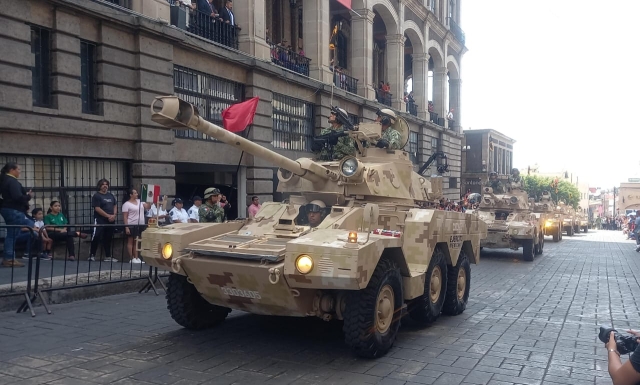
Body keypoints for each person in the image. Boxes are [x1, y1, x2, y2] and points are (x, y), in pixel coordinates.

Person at [0, 162, 32, 267]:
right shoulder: (12, 181)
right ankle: (9, 259)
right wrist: (28, 196)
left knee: (12, 234)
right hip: (13, 210)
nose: (20, 172)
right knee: (12, 234)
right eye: (18, 170)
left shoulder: (3, 180)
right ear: (12, 170)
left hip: (7, 209)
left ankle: (8, 257)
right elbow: (17, 197)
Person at [89, 178, 118, 262]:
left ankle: (108, 256)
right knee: (96, 236)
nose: (105, 186)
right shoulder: (97, 196)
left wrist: (114, 215)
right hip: (100, 219)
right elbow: (97, 208)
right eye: (103, 184)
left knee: (108, 237)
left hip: (111, 220)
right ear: (100, 186)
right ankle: (92, 255)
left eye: (106, 184)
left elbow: (115, 205)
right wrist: (108, 215)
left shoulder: (111, 195)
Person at [122, 189, 151, 264]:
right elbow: (125, 216)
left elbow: (148, 207)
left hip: (140, 224)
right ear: (131, 195)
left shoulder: (140, 201)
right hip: (131, 224)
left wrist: (149, 200)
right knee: (131, 241)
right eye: (135, 193)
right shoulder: (126, 204)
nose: (137, 194)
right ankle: (131, 258)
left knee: (137, 241)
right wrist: (126, 227)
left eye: (136, 193)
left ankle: (137, 257)